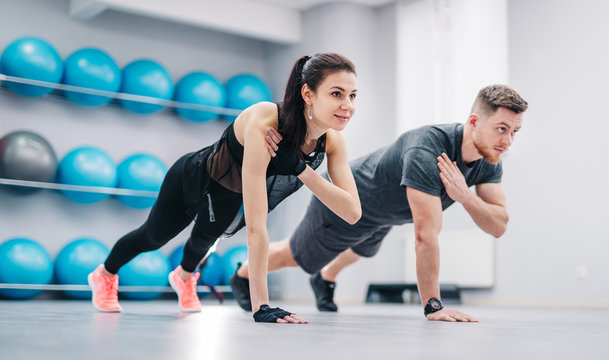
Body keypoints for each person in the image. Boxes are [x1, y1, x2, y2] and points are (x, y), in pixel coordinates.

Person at [87, 53, 362, 324]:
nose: (347, 105)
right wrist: (261, 307)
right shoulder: (266, 121)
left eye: (352, 95)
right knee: (152, 238)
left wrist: (301, 169)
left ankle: (183, 278)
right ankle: (105, 274)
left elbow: (352, 213)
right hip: (192, 178)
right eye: (337, 94)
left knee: (202, 245)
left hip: (229, 194)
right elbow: (257, 226)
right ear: (308, 94)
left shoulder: (333, 142)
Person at [231, 84, 527, 322]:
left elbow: (498, 225)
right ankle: (243, 274)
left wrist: (464, 195)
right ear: (474, 121)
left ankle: (325, 279)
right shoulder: (427, 149)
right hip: (349, 201)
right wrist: (433, 306)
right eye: (501, 129)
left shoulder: (489, 156)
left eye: (514, 132)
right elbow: (425, 235)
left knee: (363, 249)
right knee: (295, 256)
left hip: (386, 213)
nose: (508, 141)